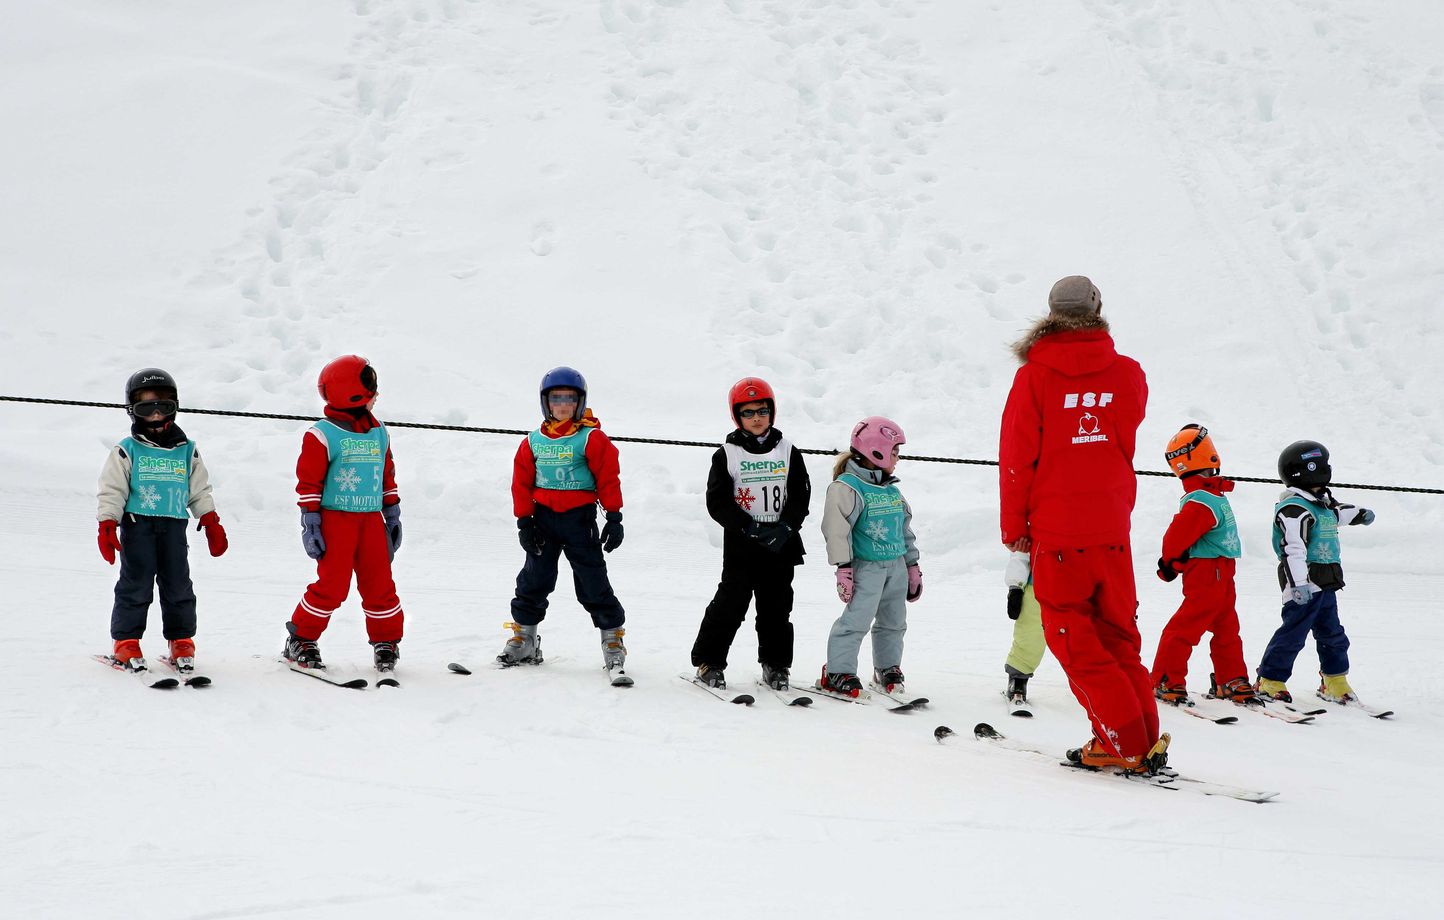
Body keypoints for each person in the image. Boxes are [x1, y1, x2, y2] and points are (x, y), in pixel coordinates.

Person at [998, 275, 1166, 774]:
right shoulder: (1129, 373)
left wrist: (1015, 527)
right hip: (1111, 528)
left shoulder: (1034, 378)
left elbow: (1016, 458)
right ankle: (1143, 737)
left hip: (1059, 531)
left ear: (1050, 313)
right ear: (1097, 309)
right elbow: (1125, 425)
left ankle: (1123, 744)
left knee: (1075, 638)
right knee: (1118, 636)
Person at [97, 368, 228, 675]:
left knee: (178, 584)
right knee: (136, 584)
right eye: (146, 406)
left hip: (173, 528)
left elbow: (199, 489)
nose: (155, 414)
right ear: (133, 410)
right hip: (137, 525)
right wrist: (107, 523)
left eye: (163, 406)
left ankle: (181, 640)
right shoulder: (126, 451)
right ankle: (126, 641)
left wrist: (210, 520)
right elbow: (112, 489)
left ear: (175, 406)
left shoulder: (186, 450)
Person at [501, 366, 628, 677]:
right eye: (556, 399)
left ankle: (613, 640)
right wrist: (524, 522)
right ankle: (525, 637)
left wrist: (613, 517)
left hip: (579, 519)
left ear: (579, 403)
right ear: (546, 403)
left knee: (592, 579)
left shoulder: (591, 438)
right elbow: (521, 482)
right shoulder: (533, 441)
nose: (562, 405)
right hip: (544, 519)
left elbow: (608, 478)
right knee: (535, 577)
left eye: (569, 400)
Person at [283, 355, 405, 675]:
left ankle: (386, 640)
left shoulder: (378, 431)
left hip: (371, 520)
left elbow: (386, 474)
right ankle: (301, 637)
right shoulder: (322, 434)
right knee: (332, 586)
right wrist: (311, 521)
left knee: (380, 583)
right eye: (370, 384)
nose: (375, 393)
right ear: (353, 390)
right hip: (336, 520)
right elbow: (309, 481)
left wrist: (391, 514)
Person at [690, 378, 811, 691]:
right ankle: (709, 662)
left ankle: (776, 665)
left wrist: (786, 526)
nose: (756, 418)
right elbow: (716, 501)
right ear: (737, 416)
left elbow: (800, 494)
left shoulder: (787, 451)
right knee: (730, 604)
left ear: (771, 412)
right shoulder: (727, 454)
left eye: (762, 411)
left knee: (777, 607)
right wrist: (747, 526)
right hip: (744, 543)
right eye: (748, 413)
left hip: (780, 544)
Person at [1255, 440, 1376, 704]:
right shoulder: (1294, 509)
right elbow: (1292, 550)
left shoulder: (1322, 503)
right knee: (1294, 633)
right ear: (1310, 469)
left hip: (1327, 579)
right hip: (1303, 582)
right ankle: (1270, 679)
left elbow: (1338, 513)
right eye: (1324, 464)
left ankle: (1334, 679)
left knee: (1333, 632)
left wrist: (1360, 514)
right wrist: (1299, 584)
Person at [1151, 424, 1257, 706]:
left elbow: (1177, 535)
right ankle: (1174, 678)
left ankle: (1226, 679)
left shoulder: (1206, 496)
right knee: (1198, 626)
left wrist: (1170, 560)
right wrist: (1170, 562)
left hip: (1217, 571)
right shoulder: (1204, 499)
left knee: (1216, 627)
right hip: (1211, 571)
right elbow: (1178, 534)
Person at [818, 416, 922, 698]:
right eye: (895, 451)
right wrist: (844, 567)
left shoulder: (891, 490)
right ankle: (839, 671)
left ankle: (888, 668)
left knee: (894, 621)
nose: (898, 458)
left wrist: (912, 566)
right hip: (867, 568)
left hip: (896, 568)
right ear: (876, 450)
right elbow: (836, 530)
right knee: (856, 621)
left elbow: (904, 530)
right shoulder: (848, 487)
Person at [1002, 550, 1044, 711]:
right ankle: (1018, 679)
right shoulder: (1036, 525)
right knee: (1031, 634)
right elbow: (1021, 550)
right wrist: (1016, 586)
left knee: (1083, 637)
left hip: (1079, 583)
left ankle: (1097, 684)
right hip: (1038, 584)